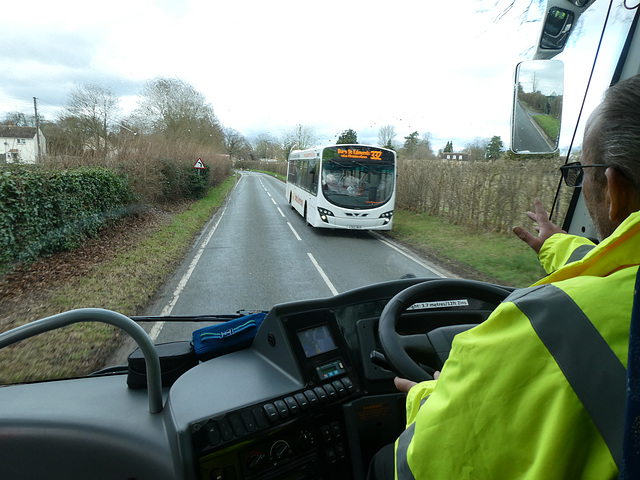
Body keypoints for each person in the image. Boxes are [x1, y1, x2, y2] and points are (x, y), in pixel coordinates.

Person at [368, 74, 640, 480]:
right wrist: (555, 243)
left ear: (613, 190)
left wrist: (431, 394)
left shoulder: (540, 330)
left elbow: (421, 462)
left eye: (581, 173)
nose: (580, 185)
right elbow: (618, 260)